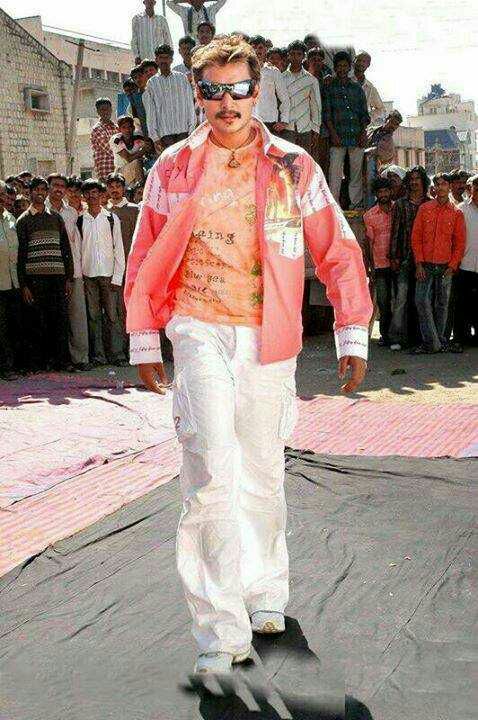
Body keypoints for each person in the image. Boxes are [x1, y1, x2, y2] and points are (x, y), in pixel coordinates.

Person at [124, 34, 372, 675]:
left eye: (238, 89)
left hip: (270, 336)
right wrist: (144, 335)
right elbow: (145, 253)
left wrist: (352, 330)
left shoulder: (295, 167)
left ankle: (264, 592)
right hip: (198, 328)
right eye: (214, 91)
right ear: (198, 95)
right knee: (209, 474)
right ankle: (220, 633)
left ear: (257, 92)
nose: (227, 102)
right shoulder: (172, 168)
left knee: (261, 471)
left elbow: (337, 249)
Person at [16, 177, 74, 372]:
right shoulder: (23, 220)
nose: (40, 193)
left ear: (46, 192)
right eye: (36, 189)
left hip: (57, 279)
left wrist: (68, 278)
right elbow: (20, 256)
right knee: (37, 321)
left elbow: (65, 249)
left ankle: (62, 362)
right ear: (30, 192)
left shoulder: (56, 218)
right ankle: (38, 363)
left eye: (43, 189)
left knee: (59, 320)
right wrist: (24, 285)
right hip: (35, 280)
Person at [411, 173, 466, 354]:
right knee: (421, 301)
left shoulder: (456, 212)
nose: (441, 187)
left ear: (449, 187)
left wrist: (452, 266)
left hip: (445, 266)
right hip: (425, 264)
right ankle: (433, 342)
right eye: (438, 184)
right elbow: (416, 237)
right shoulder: (424, 209)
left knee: (442, 304)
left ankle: (439, 341)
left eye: (444, 184)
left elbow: (459, 242)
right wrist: (418, 263)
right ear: (434, 187)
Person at [78, 179, 126, 367]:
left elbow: (118, 248)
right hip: (88, 275)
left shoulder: (111, 219)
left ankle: (117, 355)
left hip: (109, 275)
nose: (92, 196)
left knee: (113, 316)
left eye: (95, 192)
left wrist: (117, 277)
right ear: (84, 196)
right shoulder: (80, 220)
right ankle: (98, 356)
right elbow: (79, 250)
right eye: (88, 193)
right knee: (93, 317)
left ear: (101, 194)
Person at [46, 174, 90, 371]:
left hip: (74, 271)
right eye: (55, 185)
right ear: (48, 187)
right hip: (51, 273)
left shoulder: (71, 213)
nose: (59, 189)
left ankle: (80, 358)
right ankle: (57, 359)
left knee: (77, 316)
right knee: (54, 317)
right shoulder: (41, 211)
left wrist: (77, 271)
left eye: (62, 186)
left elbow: (76, 243)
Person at [388, 166, 430, 351]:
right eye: (411, 179)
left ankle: (422, 337)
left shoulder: (430, 203)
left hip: (426, 260)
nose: (414, 182)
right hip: (405, 258)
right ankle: (396, 337)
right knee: (401, 299)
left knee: (422, 300)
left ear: (423, 181)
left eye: (417, 179)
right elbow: (395, 231)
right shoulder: (400, 204)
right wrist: (394, 256)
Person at [324, 51, 370, 209]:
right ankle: (334, 206)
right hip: (337, 137)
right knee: (334, 173)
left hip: (356, 136)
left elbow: (364, 114)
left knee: (355, 174)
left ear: (349, 67)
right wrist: (333, 135)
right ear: (335, 68)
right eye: (339, 66)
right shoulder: (330, 88)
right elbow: (327, 115)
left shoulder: (357, 88)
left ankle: (355, 204)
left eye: (345, 66)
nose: (342, 69)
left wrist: (363, 133)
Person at [107, 173, 140, 355]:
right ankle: (118, 351)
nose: (115, 190)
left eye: (118, 186)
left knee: (132, 309)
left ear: (123, 188)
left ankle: (134, 349)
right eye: (111, 187)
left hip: (132, 267)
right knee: (114, 311)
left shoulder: (134, 210)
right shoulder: (103, 211)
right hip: (111, 270)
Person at [143, 44, 197, 153]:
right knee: (169, 163)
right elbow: (150, 112)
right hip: (164, 135)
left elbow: (190, 105)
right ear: (156, 60)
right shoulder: (152, 83)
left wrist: (192, 130)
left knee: (185, 162)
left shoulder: (182, 78)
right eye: (161, 58)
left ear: (171, 60)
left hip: (184, 132)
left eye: (166, 57)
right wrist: (155, 137)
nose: (164, 61)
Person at [363, 177, 394, 346]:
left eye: (385, 191)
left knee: (399, 301)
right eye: (380, 192)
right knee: (383, 302)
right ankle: (386, 335)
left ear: (390, 192)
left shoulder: (398, 209)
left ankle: (399, 335)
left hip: (398, 264)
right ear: (376, 194)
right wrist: (371, 267)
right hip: (380, 264)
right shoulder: (369, 216)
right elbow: (368, 243)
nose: (383, 194)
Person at [451, 174, 478, 352]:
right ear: (470, 190)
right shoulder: (460, 210)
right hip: (464, 265)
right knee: (462, 303)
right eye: (476, 189)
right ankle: (460, 338)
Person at [282, 40, 321, 154]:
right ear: (288, 55)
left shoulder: (311, 80)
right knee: (287, 161)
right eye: (292, 54)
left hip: (305, 128)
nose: (295, 57)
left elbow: (315, 106)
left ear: (304, 56)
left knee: (304, 160)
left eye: (299, 54)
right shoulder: (281, 78)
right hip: (286, 128)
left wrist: (316, 129)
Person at [0, 181, 21, 379]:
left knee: (12, 325)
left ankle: (11, 365)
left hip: (14, 283)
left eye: (3, 194)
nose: (1, 198)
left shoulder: (12, 219)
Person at [249, 35, 290, 136]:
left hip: (269, 122)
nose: (257, 51)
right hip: (249, 121)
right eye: (254, 47)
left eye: (260, 48)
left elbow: (284, 98)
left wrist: (284, 121)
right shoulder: (243, 71)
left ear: (265, 50)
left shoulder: (273, 71)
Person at [365, 111, 403, 208]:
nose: (393, 126)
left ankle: (369, 207)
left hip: (372, 165)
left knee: (370, 182)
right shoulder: (373, 130)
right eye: (392, 122)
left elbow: (384, 157)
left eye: (396, 125)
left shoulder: (389, 141)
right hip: (361, 159)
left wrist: (372, 151)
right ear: (387, 119)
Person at [307, 47, 333, 175]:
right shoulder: (303, 78)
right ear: (308, 61)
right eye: (313, 59)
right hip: (305, 126)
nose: (316, 62)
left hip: (324, 128)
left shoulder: (327, 81)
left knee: (323, 164)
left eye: (319, 60)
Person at [109, 115, 151, 184]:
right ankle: (140, 187)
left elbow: (149, 147)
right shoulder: (116, 140)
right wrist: (143, 150)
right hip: (121, 173)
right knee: (137, 162)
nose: (127, 130)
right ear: (119, 129)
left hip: (136, 170)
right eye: (124, 127)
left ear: (133, 128)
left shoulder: (138, 136)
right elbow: (129, 159)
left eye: (129, 127)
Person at [132, 0, 172, 64]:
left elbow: (168, 39)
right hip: (143, 60)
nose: (150, 1)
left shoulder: (162, 20)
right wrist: (136, 56)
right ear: (144, 2)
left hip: (160, 61)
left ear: (155, 2)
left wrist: (169, 56)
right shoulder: (137, 19)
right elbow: (134, 39)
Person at [353, 52, 385, 126]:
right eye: (359, 60)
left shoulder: (369, 87)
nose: (361, 63)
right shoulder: (345, 80)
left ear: (368, 65)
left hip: (359, 127)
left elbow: (381, 109)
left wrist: (368, 118)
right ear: (354, 62)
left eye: (364, 61)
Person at [91, 98, 118, 182]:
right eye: (102, 109)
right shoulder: (97, 129)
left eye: (107, 109)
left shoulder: (116, 127)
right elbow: (110, 149)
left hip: (118, 169)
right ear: (98, 112)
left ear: (111, 110)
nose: (105, 112)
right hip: (106, 171)